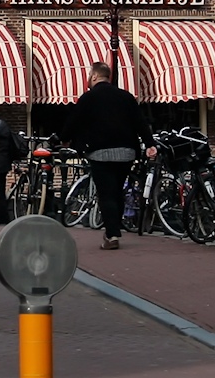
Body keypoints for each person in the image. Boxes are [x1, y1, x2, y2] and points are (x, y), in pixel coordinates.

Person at [62, 61, 153, 250]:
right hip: (126, 152)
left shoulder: (88, 98)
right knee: (117, 190)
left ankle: (112, 235)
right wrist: (150, 143)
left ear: (95, 76)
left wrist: (64, 138)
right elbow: (140, 122)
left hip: (100, 152)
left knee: (106, 194)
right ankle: (114, 228)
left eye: (89, 75)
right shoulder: (126, 97)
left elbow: (74, 122)